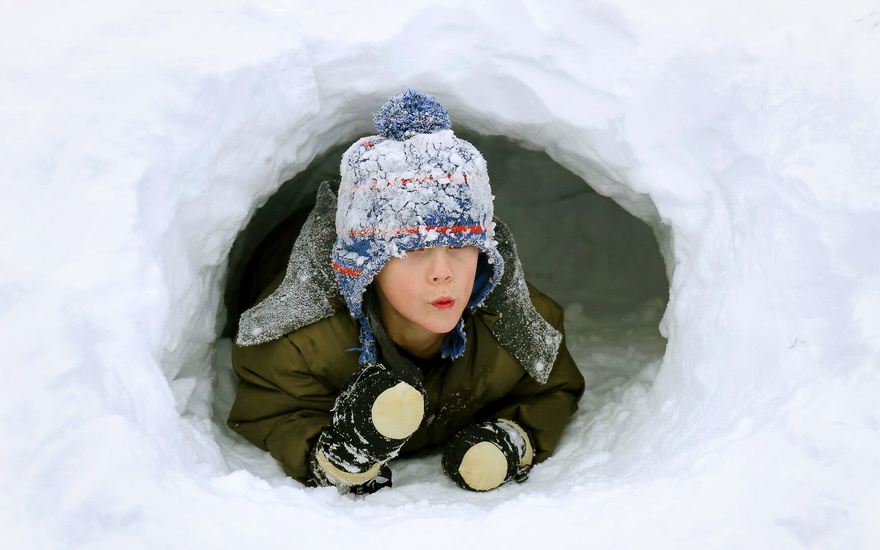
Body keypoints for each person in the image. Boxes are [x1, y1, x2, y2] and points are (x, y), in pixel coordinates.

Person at [228, 90, 585, 494]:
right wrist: (338, 455)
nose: (442, 273)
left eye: (459, 245)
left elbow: (553, 387)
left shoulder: (516, 323)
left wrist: (508, 438)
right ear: (370, 266)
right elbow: (273, 408)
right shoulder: (299, 336)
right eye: (413, 249)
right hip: (280, 248)